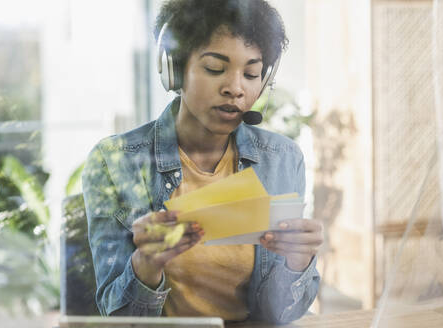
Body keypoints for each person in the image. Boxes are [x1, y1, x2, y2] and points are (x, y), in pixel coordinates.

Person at [82, 0, 323, 324]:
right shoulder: (115, 162)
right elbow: (119, 319)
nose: (236, 89)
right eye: (214, 68)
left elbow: (278, 315)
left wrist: (299, 262)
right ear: (174, 68)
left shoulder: (282, 159)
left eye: (251, 73)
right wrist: (146, 266)